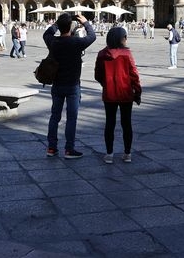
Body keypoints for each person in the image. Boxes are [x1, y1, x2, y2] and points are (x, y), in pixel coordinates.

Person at [43, 12, 97, 159]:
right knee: (71, 118)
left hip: (57, 85)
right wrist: (85, 22)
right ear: (71, 26)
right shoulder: (76, 42)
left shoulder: (53, 42)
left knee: (55, 116)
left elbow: (46, 34)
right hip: (73, 85)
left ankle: (51, 148)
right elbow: (92, 36)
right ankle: (69, 149)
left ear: (59, 26)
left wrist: (56, 24)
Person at [95, 27, 142, 164]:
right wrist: (137, 92)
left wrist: (106, 83)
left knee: (110, 123)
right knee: (126, 123)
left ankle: (109, 154)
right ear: (122, 39)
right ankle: (127, 154)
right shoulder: (127, 54)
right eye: (125, 37)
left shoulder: (102, 54)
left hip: (109, 94)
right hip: (126, 93)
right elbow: (134, 75)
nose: (126, 39)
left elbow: (97, 75)